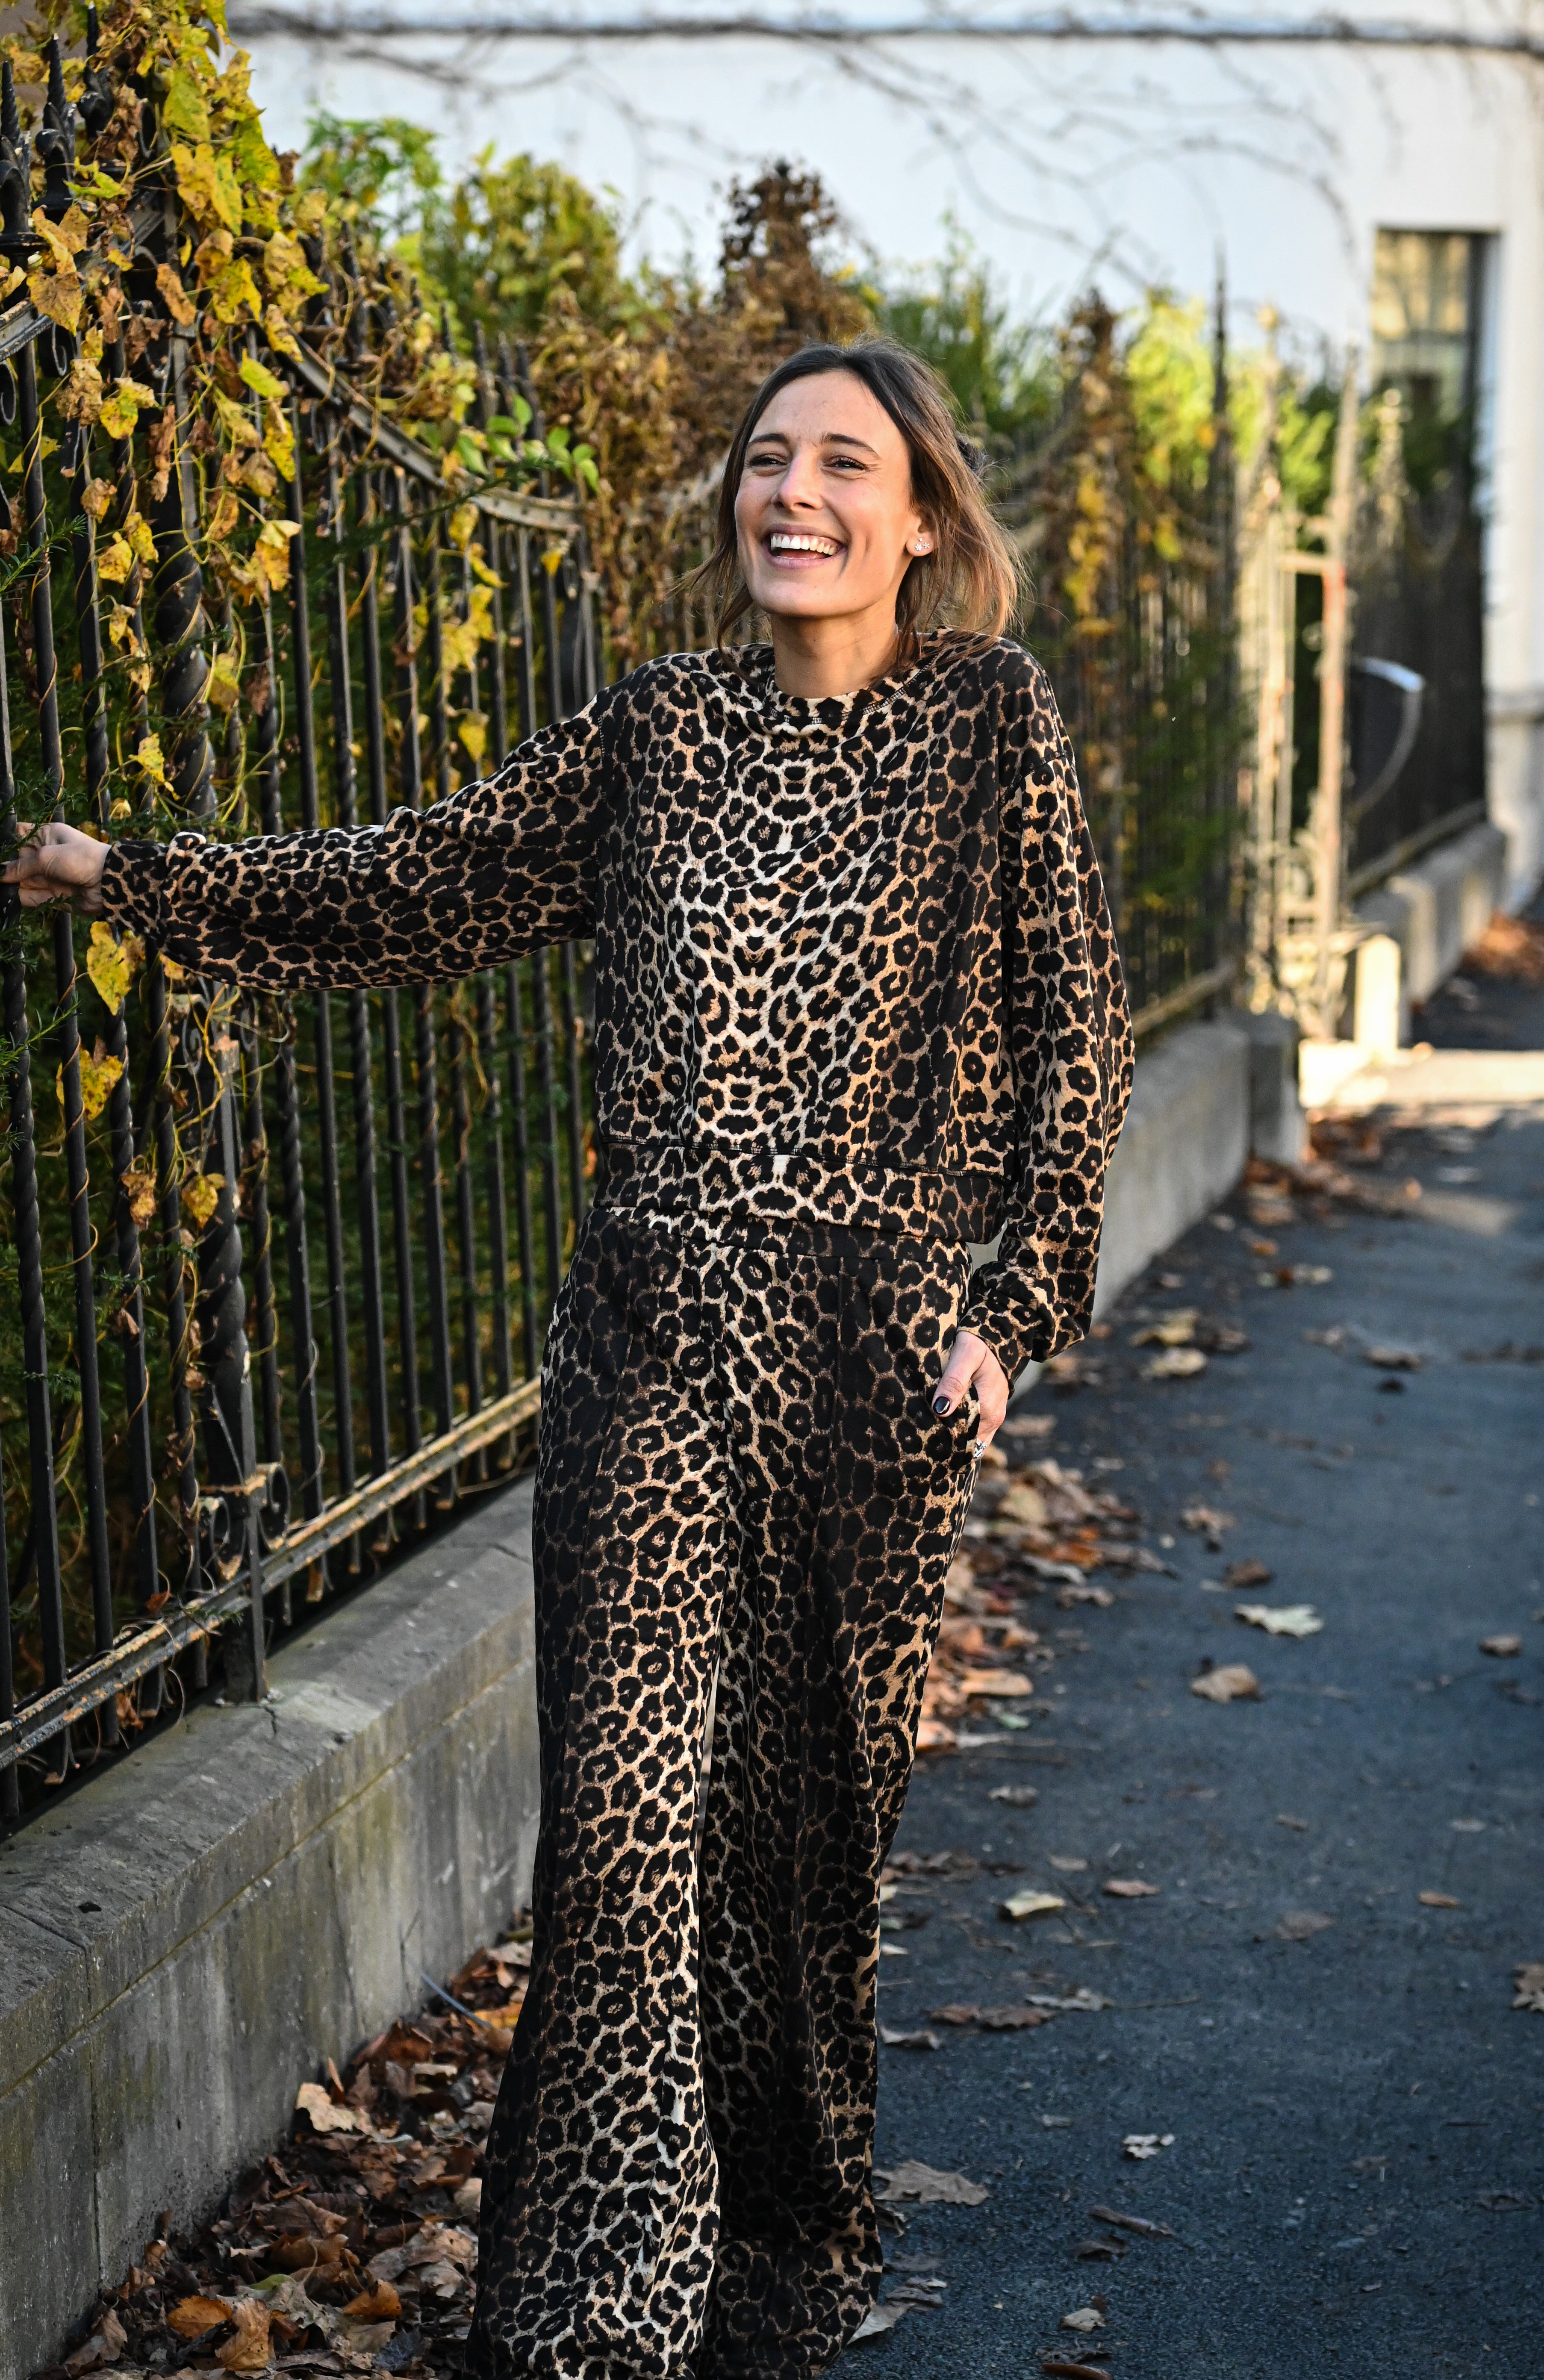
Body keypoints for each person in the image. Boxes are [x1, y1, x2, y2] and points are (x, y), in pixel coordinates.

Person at [6, 338, 1133, 2379]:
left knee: (802, 1842)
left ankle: (782, 2239)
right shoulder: (656, 731)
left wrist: (1018, 1299)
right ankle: (597, 2302)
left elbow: (1080, 1033)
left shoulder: (993, 721)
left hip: (876, 1357)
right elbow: (409, 880)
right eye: (766, 459)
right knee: (623, 1830)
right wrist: (129, 876)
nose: (793, 493)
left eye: (843, 463)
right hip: (652, 1335)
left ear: (921, 520)